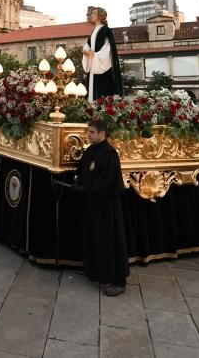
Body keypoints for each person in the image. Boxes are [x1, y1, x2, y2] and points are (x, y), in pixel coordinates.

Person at [72, 119, 129, 296]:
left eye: (91, 132)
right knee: (93, 238)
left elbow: (108, 182)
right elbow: (82, 170)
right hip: (91, 204)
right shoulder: (90, 150)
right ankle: (95, 271)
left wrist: (86, 189)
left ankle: (117, 280)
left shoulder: (110, 154)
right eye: (88, 132)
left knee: (108, 241)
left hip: (106, 207)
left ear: (102, 134)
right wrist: (77, 182)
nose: (88, 135)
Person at [82, 6, 122, 100]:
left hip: (102, 69)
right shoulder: (94, 30)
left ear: (100, 16)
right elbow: (88, 44)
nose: (91, 15)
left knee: (101, 92)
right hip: (93, 66)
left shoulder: (106, 30)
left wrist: (95, 55)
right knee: (91, 90)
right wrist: (85, 51)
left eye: (94, 13)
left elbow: (108, 49)